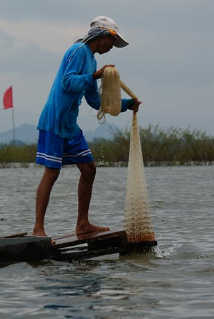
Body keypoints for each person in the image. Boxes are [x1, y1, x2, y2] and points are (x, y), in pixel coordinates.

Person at [33, 16, 141, 237]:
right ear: (101, 37)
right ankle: (38, 228)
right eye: (112, 42)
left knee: (89, 169)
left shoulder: (91, 61)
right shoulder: (77, 50)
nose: (112, 47)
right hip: (54, 120)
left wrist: (127, 105)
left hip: (69, 125)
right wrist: (95, 76)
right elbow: (68, 82)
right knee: (52, 172)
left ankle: (83, 224)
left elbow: (95, 101)